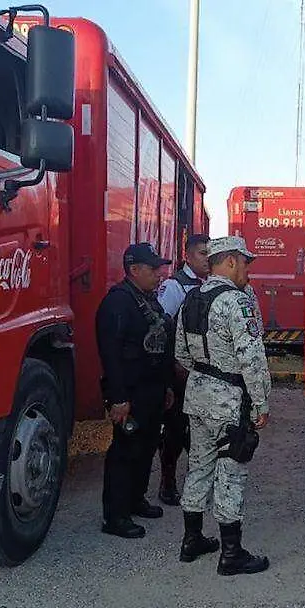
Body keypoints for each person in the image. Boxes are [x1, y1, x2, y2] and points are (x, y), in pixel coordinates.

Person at [175, 236, 271, 576]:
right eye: (244, 263)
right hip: (229, 400)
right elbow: (252, 357)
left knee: (199, 464)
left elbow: (181, 354)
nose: (247, 270)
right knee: (231, 471)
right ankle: (231, 553)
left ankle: (192, 539)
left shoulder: (191, 299)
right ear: (229, 262)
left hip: (197, 396)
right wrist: (260, 402)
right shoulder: (236, 302)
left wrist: (205, 373)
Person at [96, 242, 176, 538]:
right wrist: (118, 398)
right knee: (125, 451)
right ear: (134, 270)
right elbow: (110, 355)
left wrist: (166, 385)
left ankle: (135, 499)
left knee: (146, 447)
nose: (160, 274)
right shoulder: (118, 302)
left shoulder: (148, 299)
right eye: (154, 269)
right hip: (130, 393)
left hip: (153, 389)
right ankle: (115, 516)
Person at [155, 232, 210, 505]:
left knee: (200, 430)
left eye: (209, 254)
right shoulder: (175, 286)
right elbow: (162, 329)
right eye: (202, 253)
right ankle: (168, 483)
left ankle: (197, 482)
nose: (207, 259)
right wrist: (172, 367)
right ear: (187, 255)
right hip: (180, 373)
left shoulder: (211, 284)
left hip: (203, 373)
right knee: (175, 430)